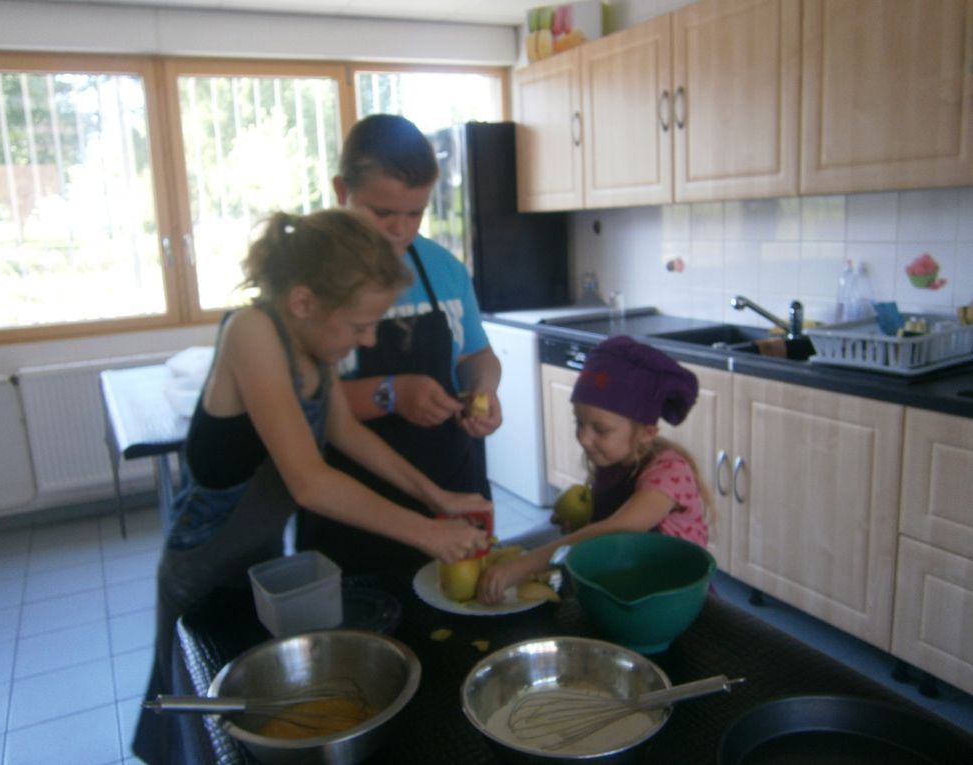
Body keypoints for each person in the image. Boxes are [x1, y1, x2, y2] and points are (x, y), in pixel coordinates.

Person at [132, 208, 489, 764]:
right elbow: (311, 483)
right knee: (194, 719)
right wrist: (427, 533)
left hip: (262, 563)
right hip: (202, 568)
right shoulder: (252, 333)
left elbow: (346, 436)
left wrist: (435, 498)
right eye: (360, 325)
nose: (367, 339)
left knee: (253, 712)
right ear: (303, 302)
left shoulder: (315, 350)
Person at [295, 114, 503, 575]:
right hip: (355, 511)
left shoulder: (444, 268)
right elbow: (308, 405)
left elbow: (475, 354)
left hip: (449, 485)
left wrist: (483, 392)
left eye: (415, 213)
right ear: (340, 190)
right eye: (383, 213)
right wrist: (392, 392)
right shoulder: (309, 283)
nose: (400, 229)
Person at [477, 336, 711, 605]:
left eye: (600, 429)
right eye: (580, 422)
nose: (584, 439)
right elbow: (605, 534)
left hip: (672, 600)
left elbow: (618, 529)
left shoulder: (669, 472)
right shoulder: (613, 462)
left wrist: (521, 566)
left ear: (647, 432)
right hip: (624, 588)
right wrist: (580, 526)